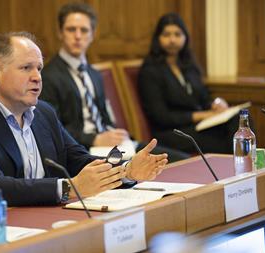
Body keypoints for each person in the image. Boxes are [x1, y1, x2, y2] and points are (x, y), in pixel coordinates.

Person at [0, 31, 168, 219]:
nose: (37, 77)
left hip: (43, 217)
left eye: (39, 68)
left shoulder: (43, 113)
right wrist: (69, 188)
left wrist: (126, 171)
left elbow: (77, 159)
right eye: (26, 68)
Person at [41, 3, 188, 162]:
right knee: (143, 169)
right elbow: (52, 128)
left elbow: (105, 117)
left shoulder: (94, 74)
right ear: (60, 33)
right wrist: (93, 139)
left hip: (114, 146)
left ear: (92, 35)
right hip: (81, 151)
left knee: (182, 161)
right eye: (71, 29)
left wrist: (117, 134)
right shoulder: (48, 76)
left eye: (84, 30)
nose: (78, 36)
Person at [138, 13, 237, 154]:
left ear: (185, 37)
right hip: (171, 132)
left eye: (177, 34)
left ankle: (247, 167)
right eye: (166, 34)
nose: (172, 39)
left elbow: (204, 97)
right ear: (157, 38)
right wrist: (201, 115)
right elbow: (161, 116)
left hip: (197, 125)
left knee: (239, 118)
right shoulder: (150, 70)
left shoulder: (189, 65)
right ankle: (235, 172)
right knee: (220, 140)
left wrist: (216, 103)